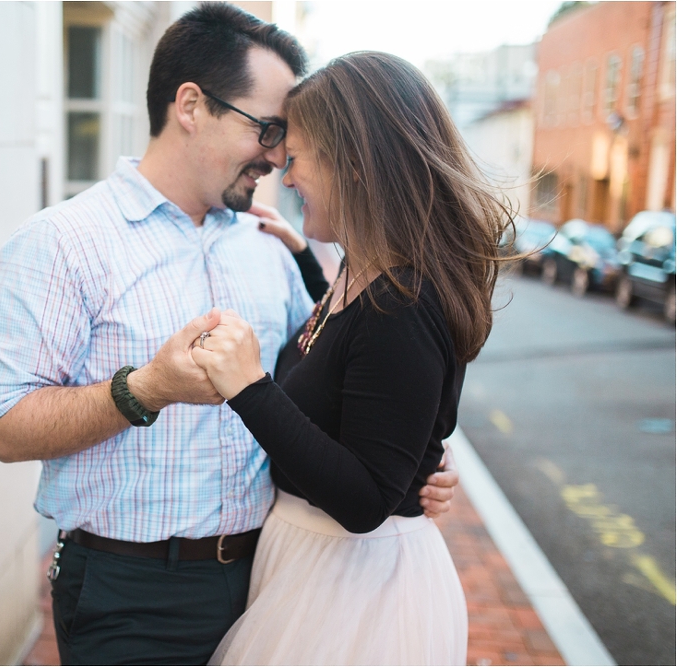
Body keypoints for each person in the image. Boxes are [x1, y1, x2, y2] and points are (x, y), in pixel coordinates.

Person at [0, 7, 458, 665]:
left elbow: (337, 382)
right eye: (266, 128)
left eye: (286, 138)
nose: (278, 155)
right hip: (132, 592)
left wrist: (413, 459)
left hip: (276, 578)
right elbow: (5, 428)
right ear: (191, 106)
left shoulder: (270, 246)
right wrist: (144, 389)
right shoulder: (60, 244)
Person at [190, 52, 512, 665]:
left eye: (298, 157)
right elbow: (347, 363)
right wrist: (308, 263)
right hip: (315, 570)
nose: (285, 178)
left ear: (356, 167)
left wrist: (248, 386)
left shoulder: (404, 304)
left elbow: (364, 499)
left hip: (355, 595)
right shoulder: (363, 278)